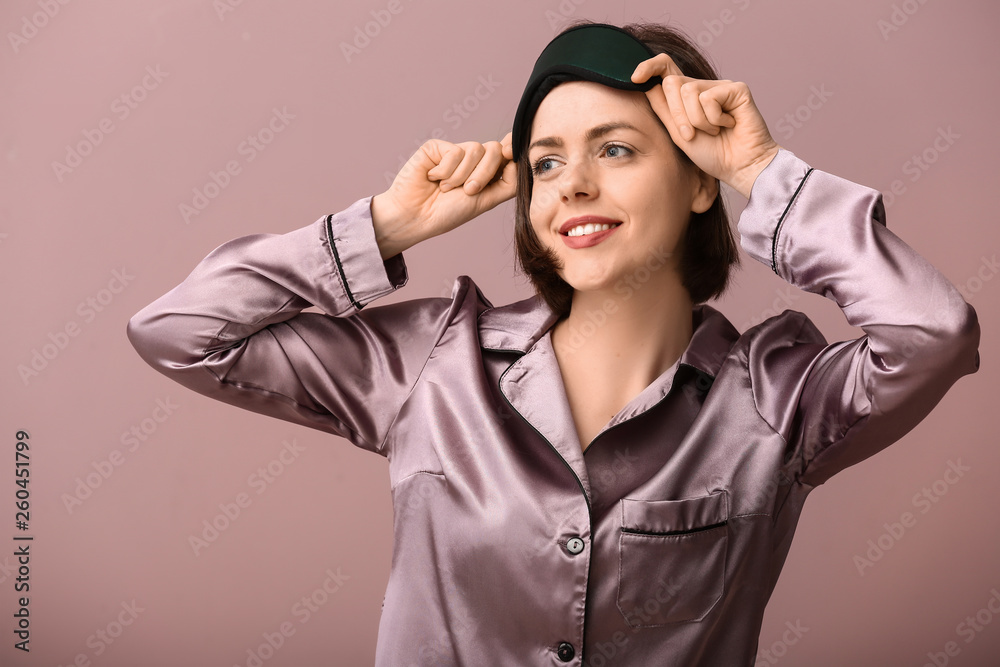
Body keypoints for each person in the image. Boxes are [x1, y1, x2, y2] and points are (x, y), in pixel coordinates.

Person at [127, 19, 980, 666]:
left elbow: (933, 332)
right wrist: (390, 224)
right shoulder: (434, 361)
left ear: (695, 181)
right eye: (545, 162)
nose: (573, 182)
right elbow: (180, 330)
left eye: (615, 149)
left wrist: (762, 173)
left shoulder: (775, 398)